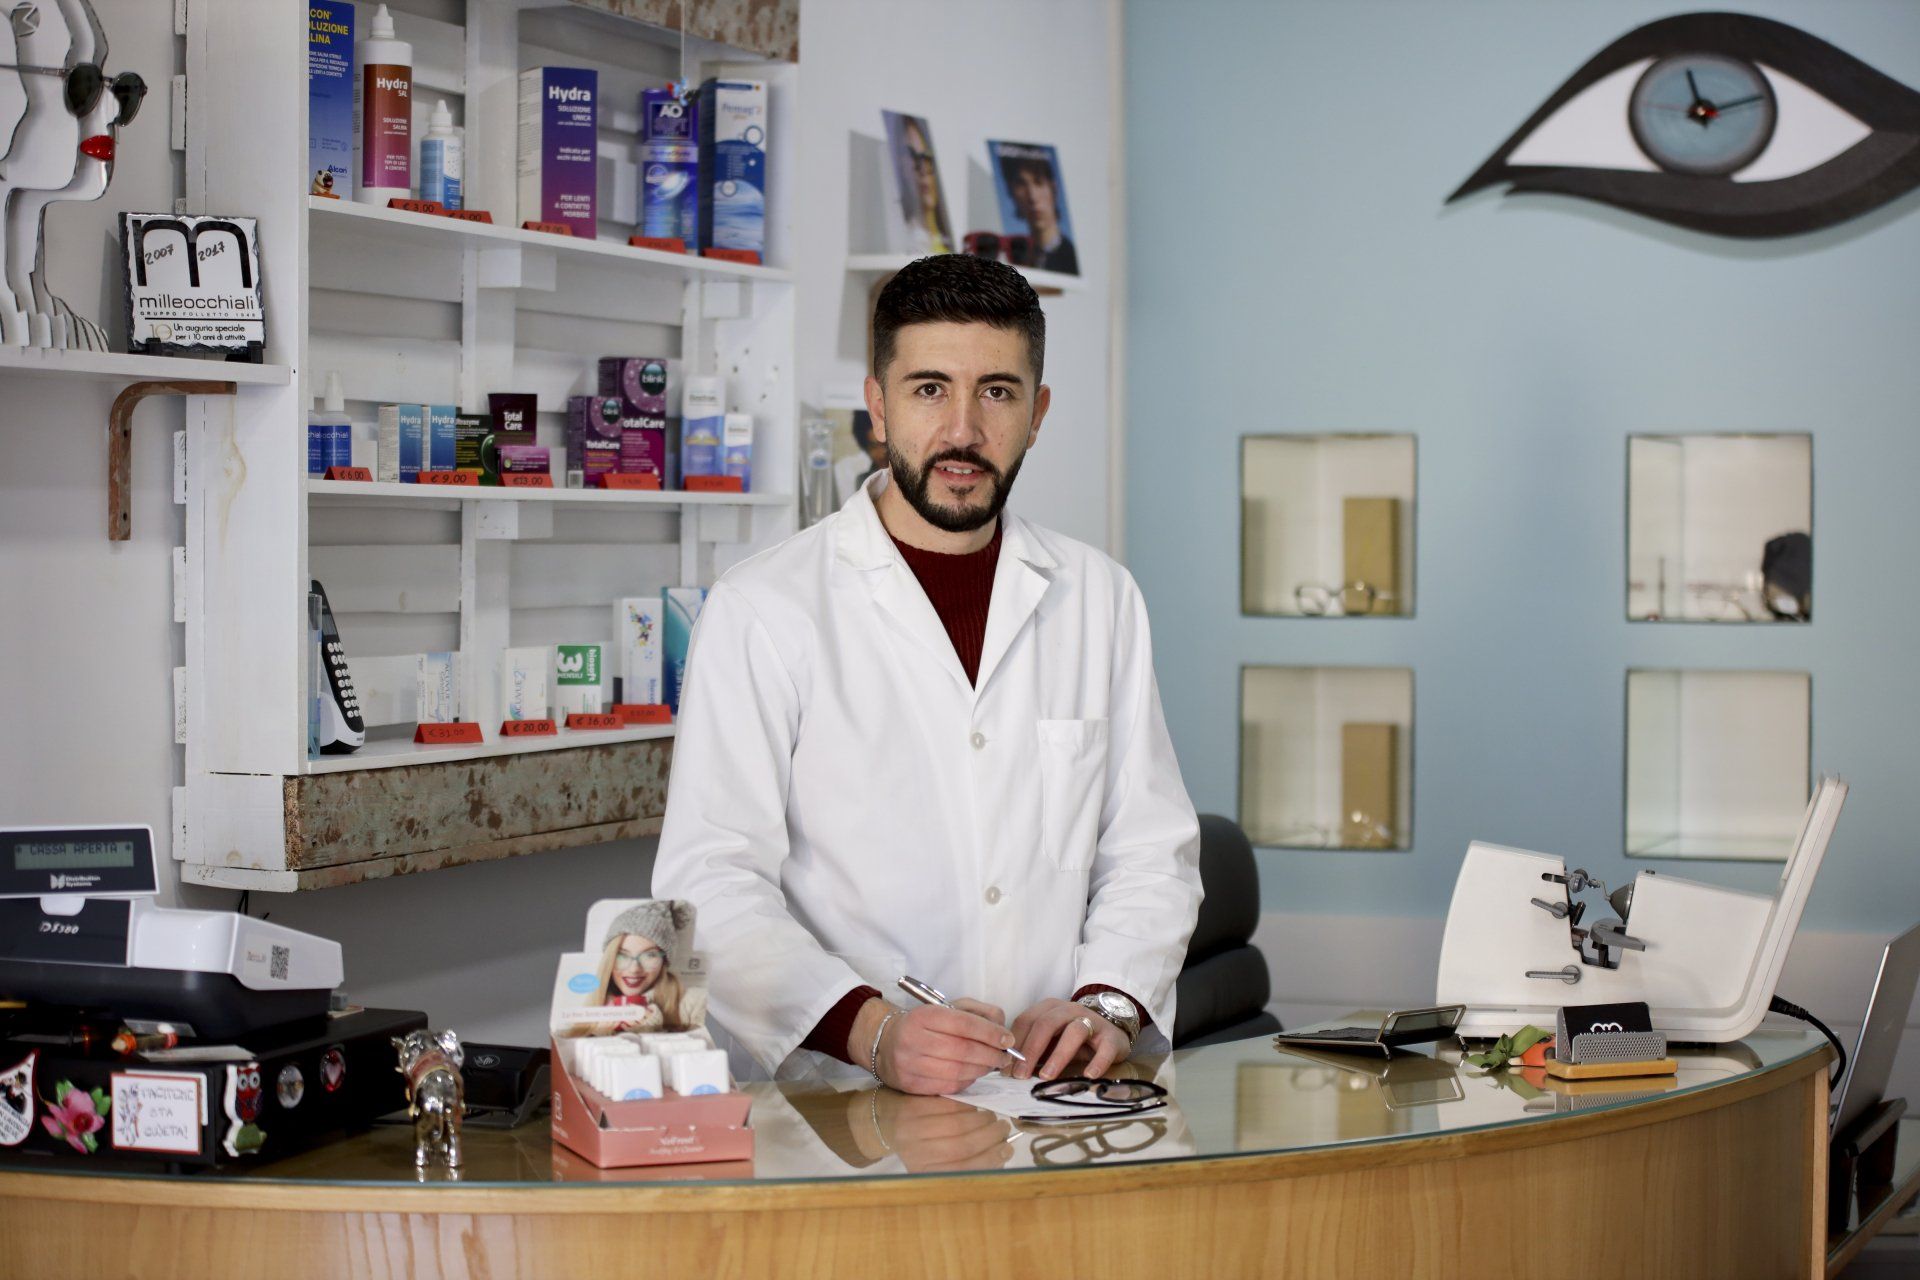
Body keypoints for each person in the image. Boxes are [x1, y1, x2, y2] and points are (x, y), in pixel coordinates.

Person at [653, 253, 1201, 1095]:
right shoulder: (766, 608)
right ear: (877, 406)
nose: (963, 432)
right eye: (929, 389)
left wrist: (1111, 1000)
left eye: (998, 391)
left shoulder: (1101, 599)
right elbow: (708, 882)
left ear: (1037, 411)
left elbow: (1150, 850)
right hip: (845, 1110)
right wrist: (872, 1031)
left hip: (1051, 1099)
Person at [572, 901, 707, 1036]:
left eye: (649, 955)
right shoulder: (589, 1009)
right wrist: (600, 1037)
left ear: (664, 961)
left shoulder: (693, 1002)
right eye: (622, 956)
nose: (634, 969)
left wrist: (652, 1030)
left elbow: (700, 1056)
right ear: (610, 959)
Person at [999, 151, 1078, 275]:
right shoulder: (1011, 259)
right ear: (1011, 192)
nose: (1032, 197)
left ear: (1053, 189)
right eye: (1021, 184)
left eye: (1039, 182)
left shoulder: (1073, 260)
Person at [896, 115, 953, 255]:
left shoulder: (945, 239)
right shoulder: (906, 237)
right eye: (913, 157)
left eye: (926, 158)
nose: (923, 170)